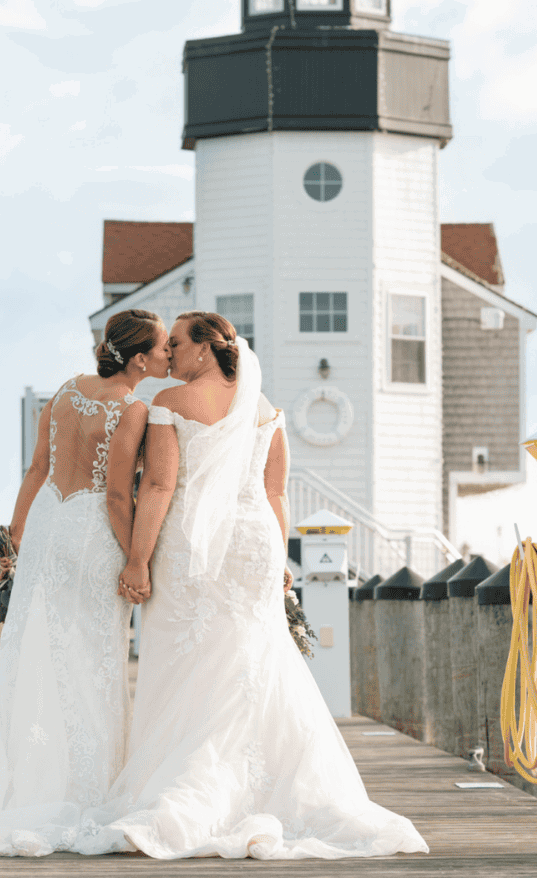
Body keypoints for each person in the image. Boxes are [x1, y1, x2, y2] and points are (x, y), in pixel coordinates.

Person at [70, 311, 429, 860]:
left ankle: (190, 789)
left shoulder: (169, 404)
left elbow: (162, 486)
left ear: (205, 349)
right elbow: (276, 492)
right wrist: (279, 556)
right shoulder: (267, 409)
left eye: (180, 343)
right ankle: (269, 786)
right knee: (255, 661)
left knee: (189, 662)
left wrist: (138, 559)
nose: (171, 354)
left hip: (193, 546)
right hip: (255, 543)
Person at [0, 308, 171, 857]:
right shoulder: (134, 408)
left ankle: (30, 785)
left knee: (40, 649)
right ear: (139, 359)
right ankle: (85, 793)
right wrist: (138, 559)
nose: (166, 357)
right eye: (161, 349)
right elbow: (116, 496)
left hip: (46, 525)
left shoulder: (64, 391)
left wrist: (15, 538)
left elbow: (36, 468)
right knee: (91, 656)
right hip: (91, 532)